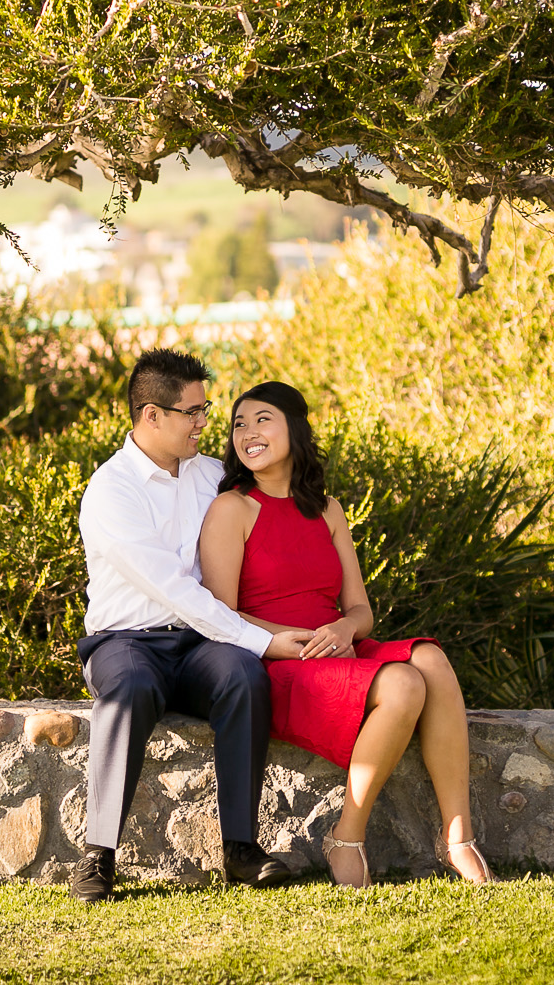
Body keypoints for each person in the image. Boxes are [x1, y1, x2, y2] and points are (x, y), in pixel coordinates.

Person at [199, 381, 496, 888]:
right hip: (276, 659)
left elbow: (361, 609)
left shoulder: (327, 508)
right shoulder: (233, 508)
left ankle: (458, 837)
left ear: (295, 427)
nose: (247, 432)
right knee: (403, 684)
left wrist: (341, 627)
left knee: (431, 661)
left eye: (262, 419)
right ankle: (346, 836)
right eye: (238, 423)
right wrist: (293, 637)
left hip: (335, 647)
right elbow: (221, 614)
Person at [70, 349, 318, 904]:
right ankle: (98, 855)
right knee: (132, 689)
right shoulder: (112, 490)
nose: (206, 424)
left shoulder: (212, 476)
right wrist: (264, 639)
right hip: (125, 643)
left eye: (206, 410)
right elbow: (174, 589)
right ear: (151, 416)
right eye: (193, 412)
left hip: (203, 642)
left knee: (243, 677)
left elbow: (271, 510)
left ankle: (240, 849)